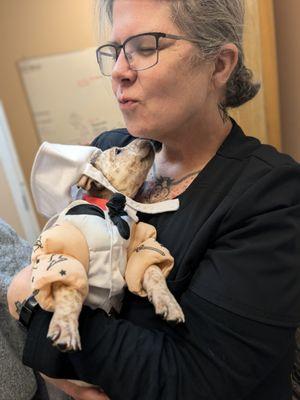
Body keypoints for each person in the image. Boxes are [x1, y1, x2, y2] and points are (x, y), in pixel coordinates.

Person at [7, 0, 300, 398]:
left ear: (219, 64)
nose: (119, 72)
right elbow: (63, 251)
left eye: (146, 47)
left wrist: (32, 311)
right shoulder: (108, 151)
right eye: (115, 51)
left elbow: (195, 383)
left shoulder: (272, 197)